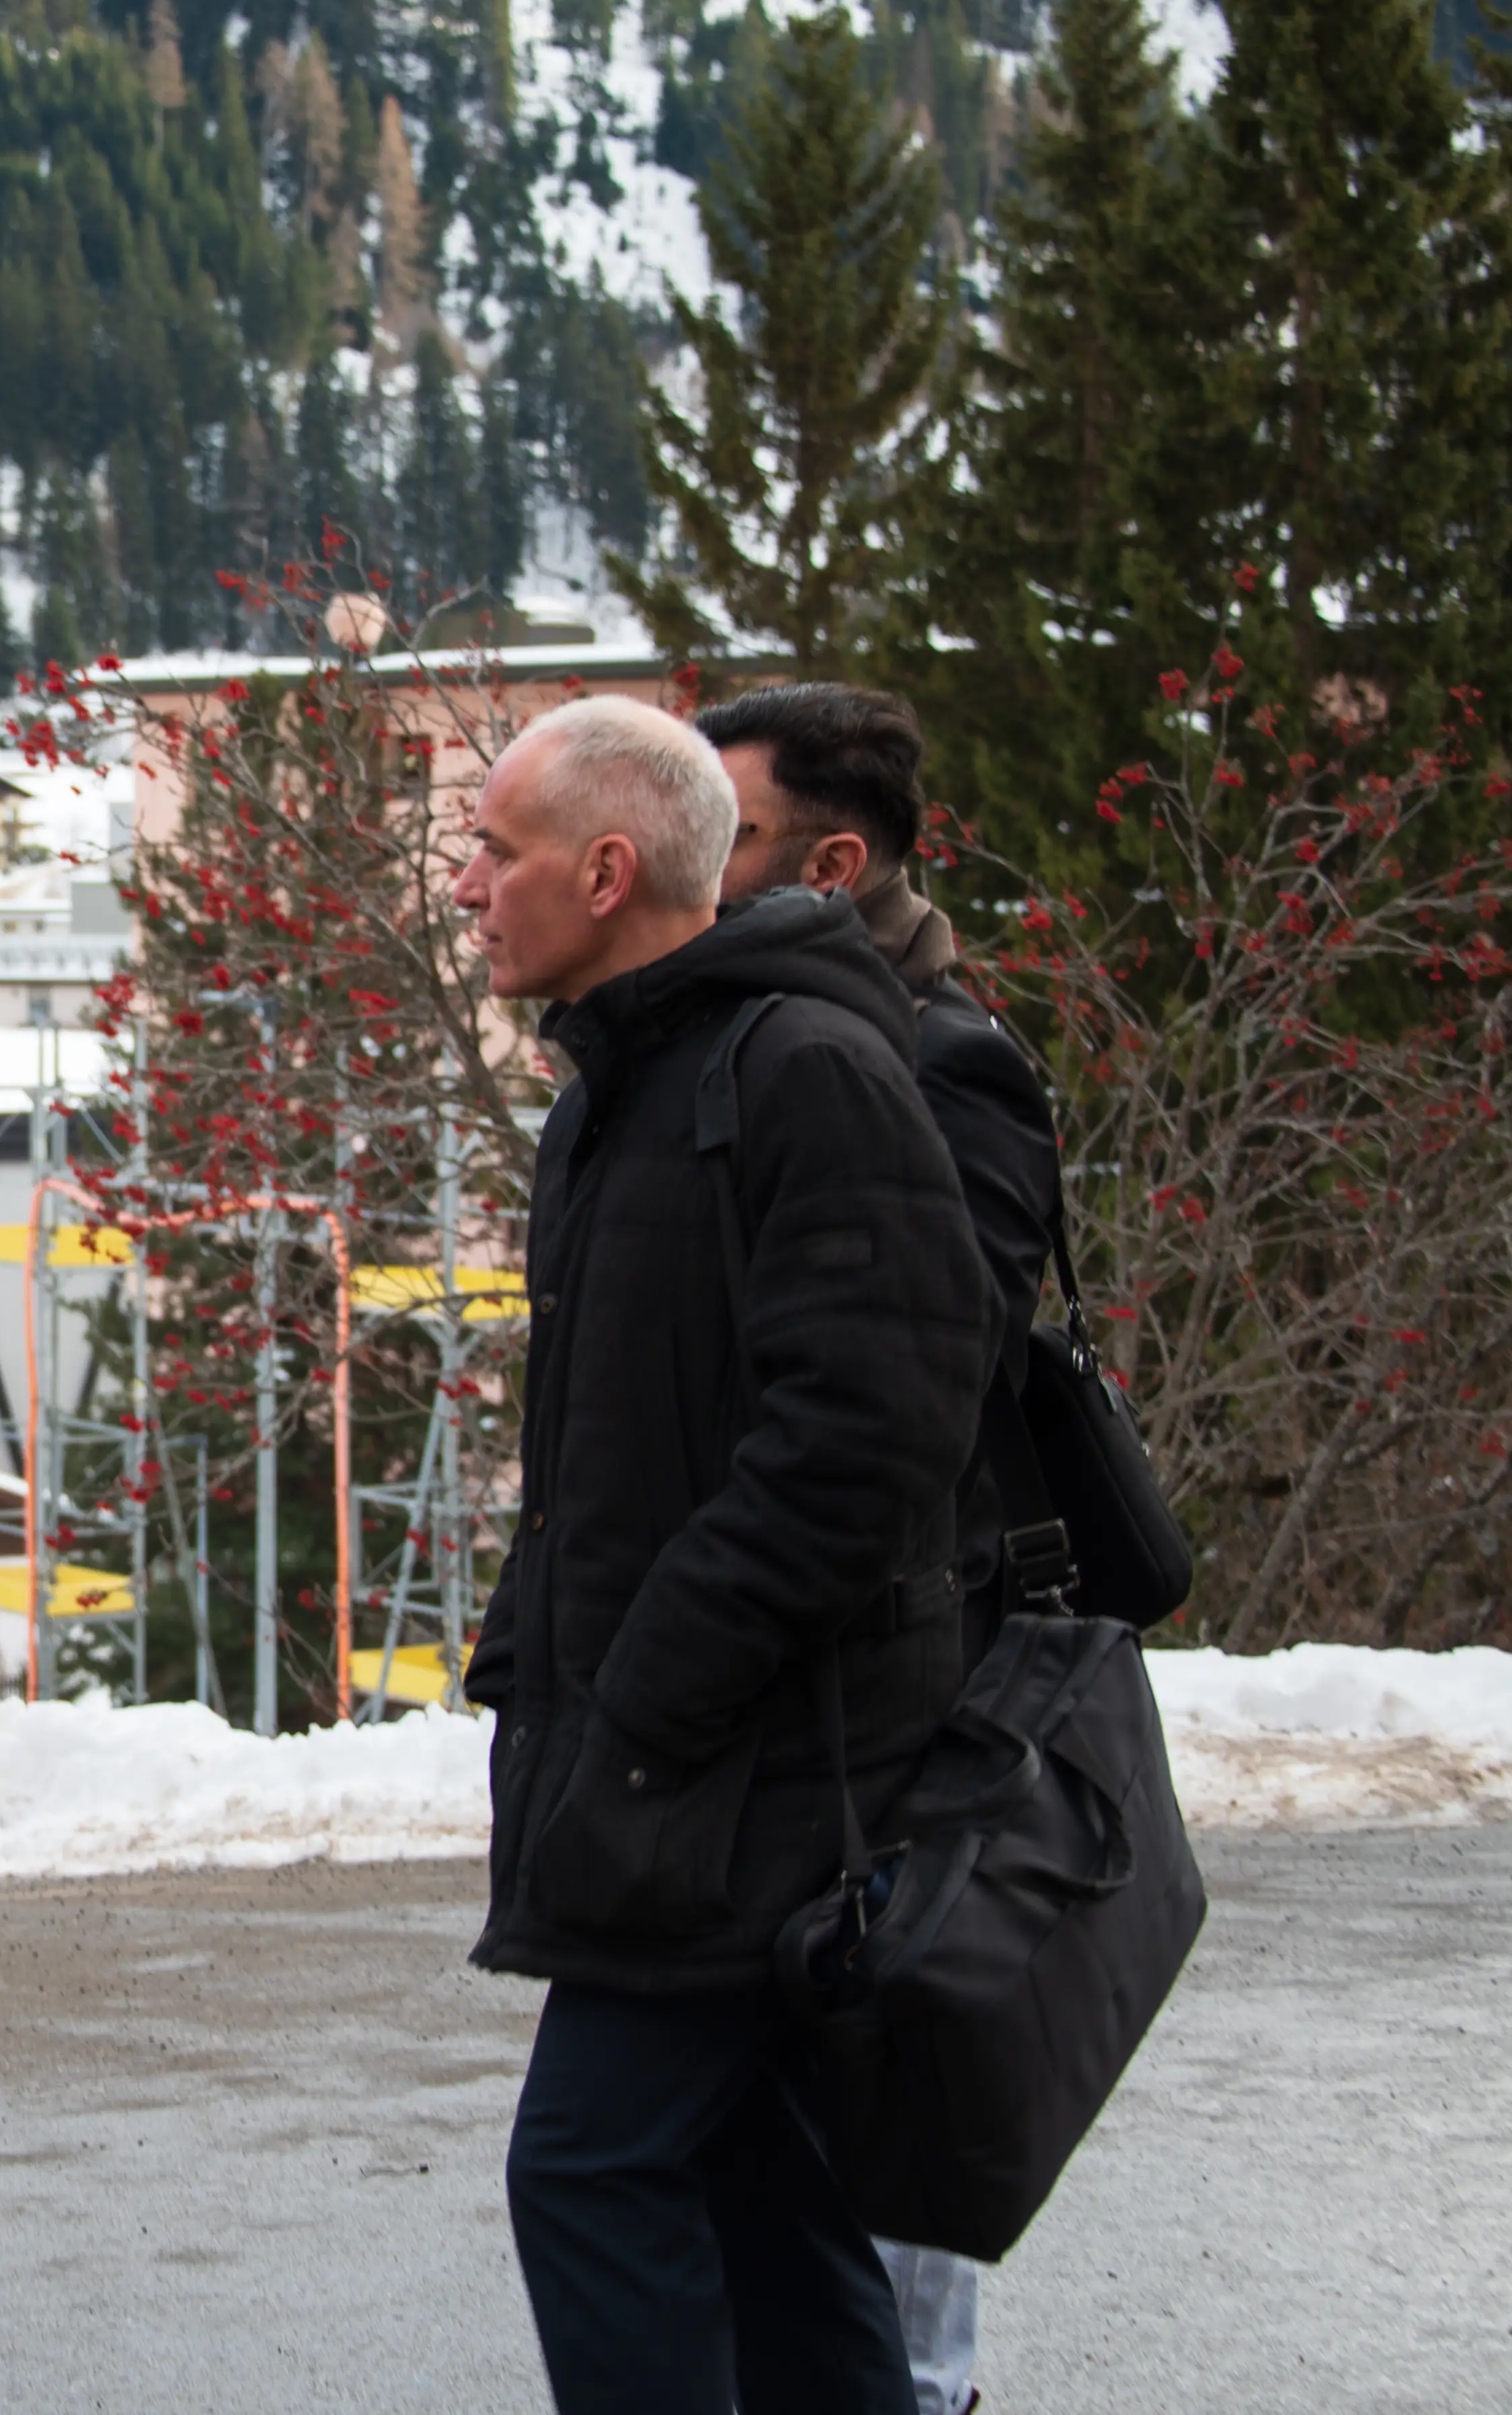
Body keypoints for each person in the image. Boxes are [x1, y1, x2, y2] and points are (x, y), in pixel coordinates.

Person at [448, 696, 999, 2415]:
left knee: (592, 2171)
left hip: (751, 1769)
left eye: (497, 850)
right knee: (764, 2192)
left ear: (607, 872)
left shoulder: (803, 1071)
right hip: (681, 1753)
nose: (470, 884)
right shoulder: (621, 1089)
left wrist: (650, 1686)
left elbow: (872, 1434)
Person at [695, 681, 1061, 2415]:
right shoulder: (740, 1030)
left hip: (905, 1652)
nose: (692, 865)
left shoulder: (940, 1058)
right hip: (804, 1659)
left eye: (734, 834)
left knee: (886, 2062)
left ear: (835, 863)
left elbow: (931, 1387)